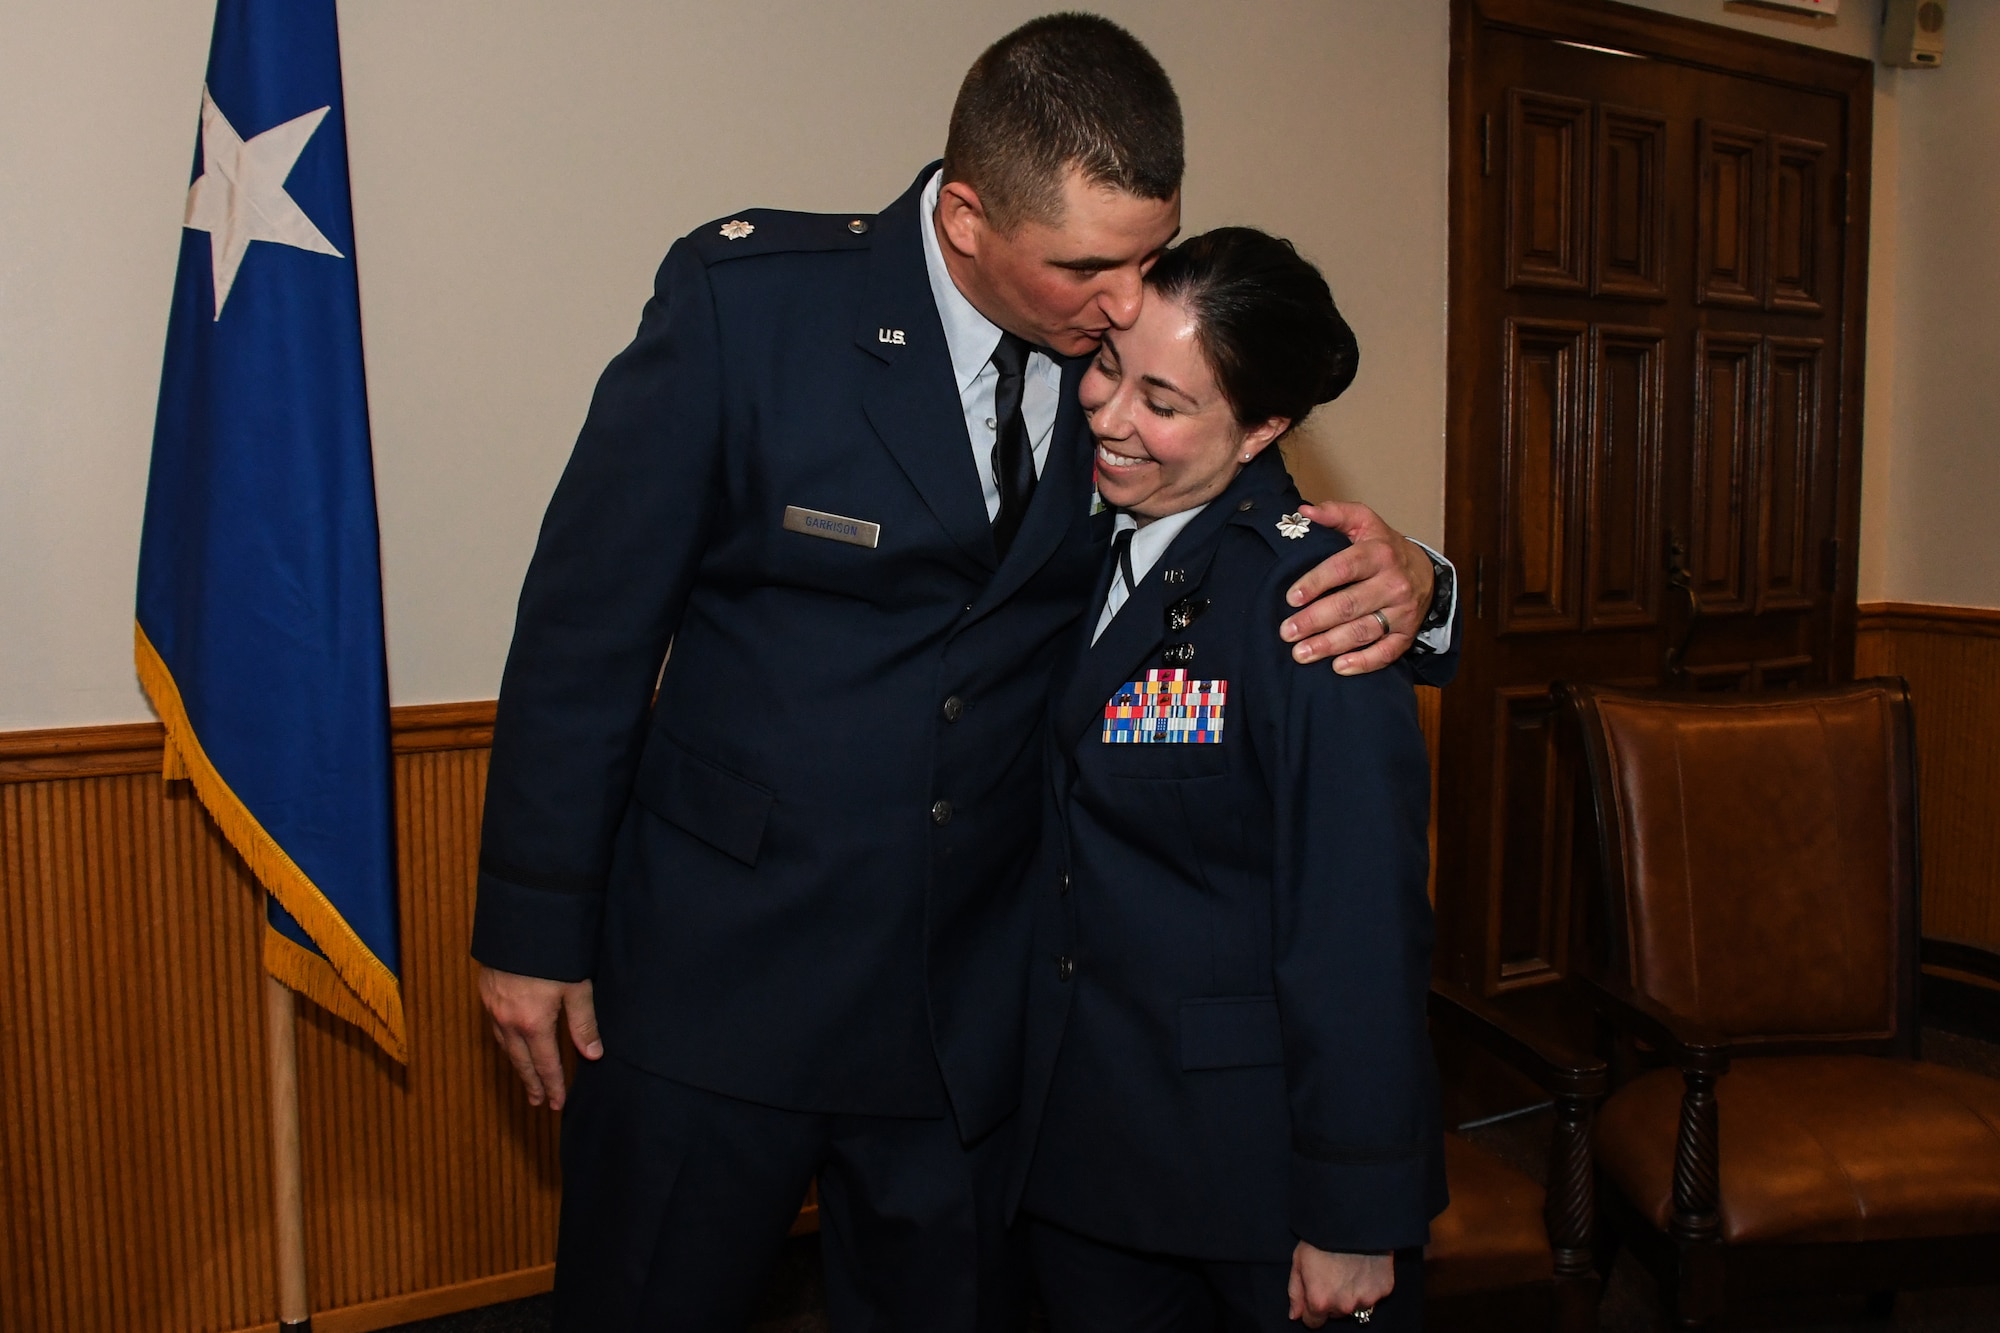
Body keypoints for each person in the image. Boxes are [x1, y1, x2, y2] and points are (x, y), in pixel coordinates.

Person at [471, 15, 1456, 1332]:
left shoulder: (1121, 391)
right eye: (1088, 267)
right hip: (721, 983)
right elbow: (585, 628)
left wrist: (1430, 584)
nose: (1127, 307)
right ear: (970, 217)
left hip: (969, 1018)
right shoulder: (752, 309)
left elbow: (1237, 512)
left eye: (1150, 257)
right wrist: (533, 928)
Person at [1013, 227, 1445, 1333]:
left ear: (1260, 429)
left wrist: (1355, 1206)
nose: (1110, 417)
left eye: (1164, 401)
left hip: (1246, 1179)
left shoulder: (1312, 601)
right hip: (1078, 1148)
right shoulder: (1071, 533)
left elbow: (1357, 926)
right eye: (1107, 368)